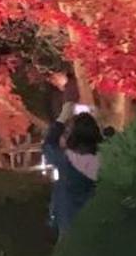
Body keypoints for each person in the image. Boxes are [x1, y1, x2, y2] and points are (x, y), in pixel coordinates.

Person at [40, 94, 105, 235]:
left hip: (68, 222)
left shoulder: (65, 160)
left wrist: (62, 118)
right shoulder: (105, 160)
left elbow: (48, 145)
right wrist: (100, 123)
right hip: (99, 223)